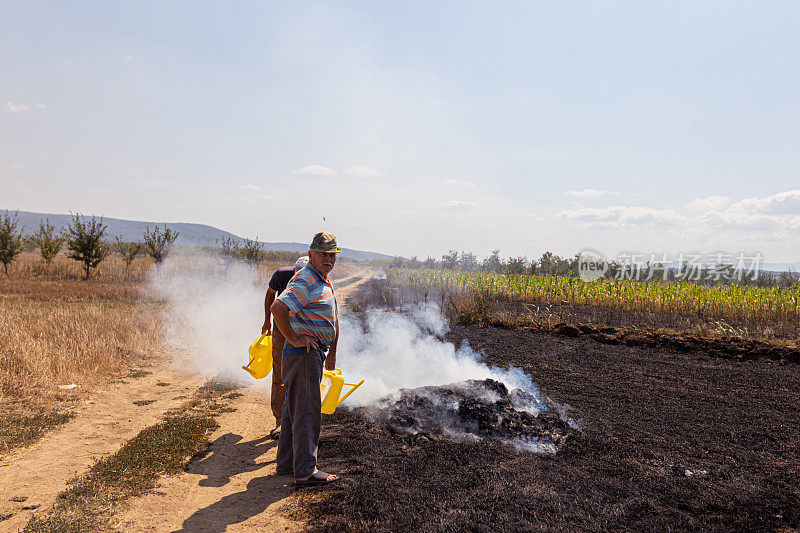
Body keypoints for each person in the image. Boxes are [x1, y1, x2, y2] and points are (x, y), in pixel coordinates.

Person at [271, 232, 341, 486]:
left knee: (293, 410)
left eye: (332, 254)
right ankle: (305, 472)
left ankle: (286, 464)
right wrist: (294, 338)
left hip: (309, 354)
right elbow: (278, 308)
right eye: (323, 253)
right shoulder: (307, 278)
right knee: (307, 413)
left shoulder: (322, 279)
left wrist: (331, 350)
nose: (328, 258)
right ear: (311, 253)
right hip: (304, 354)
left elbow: (330, 315)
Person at [262, 256, 309, 439]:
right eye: (298, 275)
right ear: (294, 272)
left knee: (303, 375)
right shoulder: (282, 275)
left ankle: (300, 422)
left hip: (306, 329)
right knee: (280, 374)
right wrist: (267, 320)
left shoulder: (317, 278)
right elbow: (270, 295)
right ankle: (280, 422)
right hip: (282, 328)